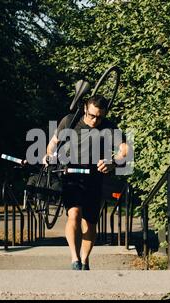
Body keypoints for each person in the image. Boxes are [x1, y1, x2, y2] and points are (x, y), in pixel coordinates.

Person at [44, 95, 129, 270]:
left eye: (99, 117)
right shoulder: (70, 121)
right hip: (72, 176)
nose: (95, 120)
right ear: (85, 109)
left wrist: (113, 162)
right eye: (92, 115)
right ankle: (74, 258)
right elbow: (53, 143)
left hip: (95, 178)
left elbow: (125, 150)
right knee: (74, 213)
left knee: (90, 223)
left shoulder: (109, 127)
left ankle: (84, 259)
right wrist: (49, 155)